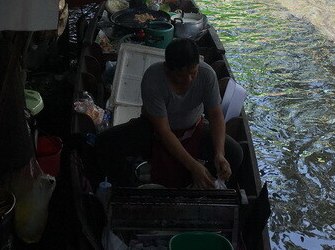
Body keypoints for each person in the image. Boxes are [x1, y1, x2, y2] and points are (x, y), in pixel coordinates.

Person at [95, 38, 243, 188]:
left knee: (235, 153)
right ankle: (127, 189)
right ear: (167, 68)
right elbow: (163, 131)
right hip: (153, 131)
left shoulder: (207, 75)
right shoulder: (153, 78)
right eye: (181, 76)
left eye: (193, 73)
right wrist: (193, 166)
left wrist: (219, 153)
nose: (189, 80)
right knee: (105, 143)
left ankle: (205, 185)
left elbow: (216, 115)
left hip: (193, 128)